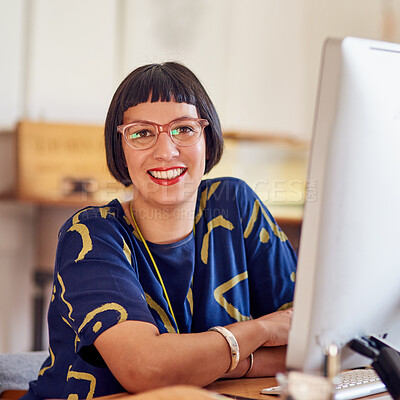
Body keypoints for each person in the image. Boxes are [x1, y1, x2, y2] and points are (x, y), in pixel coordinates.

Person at [23, 62, 297, 400]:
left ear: (207, 141)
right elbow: (147, 369)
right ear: (120, 151)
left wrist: (223, 359)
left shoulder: (235, 204)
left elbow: (314, 339)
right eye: (141, 133)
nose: (166, 151)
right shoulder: (91, 235)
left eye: (183, 129)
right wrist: (261, 331)